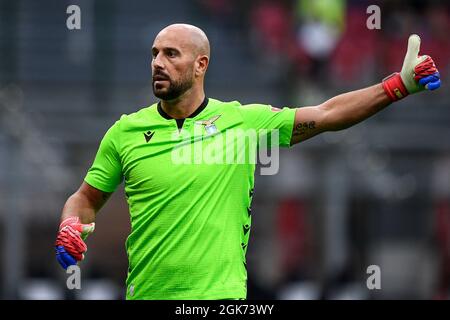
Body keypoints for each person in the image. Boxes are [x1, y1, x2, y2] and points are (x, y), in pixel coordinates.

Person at [54, 24, 441, 300]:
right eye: (155, 53)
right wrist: (72, 223)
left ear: (200, 65)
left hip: (221, 299)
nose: (158, 62)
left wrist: (397, 85)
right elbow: (86, 197)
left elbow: (326, 114)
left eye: (171, 54)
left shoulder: (243, 122)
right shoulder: (126, 132)